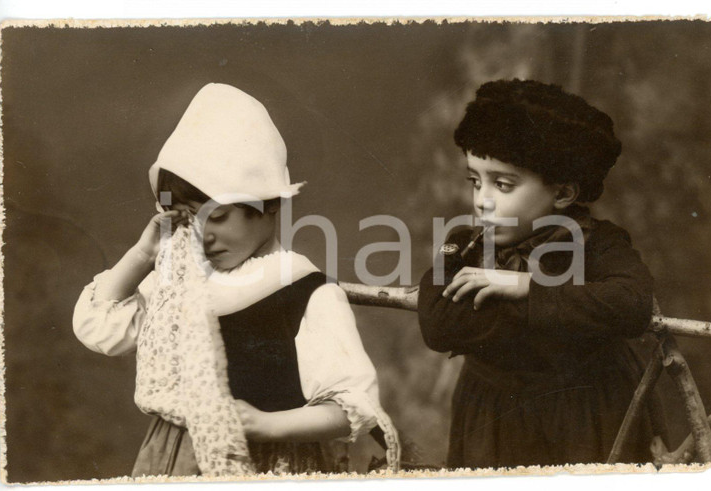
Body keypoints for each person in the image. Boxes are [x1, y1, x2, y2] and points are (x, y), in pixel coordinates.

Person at [73, 83, 398, 477]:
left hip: (259, 465)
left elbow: (354, 407)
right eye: (188, 217)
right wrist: (143, 256)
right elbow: (99, 328)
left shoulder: (302, 289)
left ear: (267, 205)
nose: (202, 234)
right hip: (168, 462)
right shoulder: (180, 278)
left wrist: (265, 424)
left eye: (218, 215)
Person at [418, 79, 667, 469]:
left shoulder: (599, 244)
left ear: (564, 193)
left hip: (587, 412)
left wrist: (526, 288)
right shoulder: (465, 243)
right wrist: (567, 314)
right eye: (474, 180)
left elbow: (632, 305)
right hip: (492, 415)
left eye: (502, 184)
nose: (482, 200)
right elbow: (438, 323)